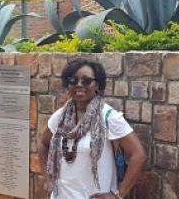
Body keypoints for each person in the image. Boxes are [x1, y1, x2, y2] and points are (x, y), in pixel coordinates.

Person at [38, 58, 147, 199]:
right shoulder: (60, 117)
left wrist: (118, 195)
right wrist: (47, 178)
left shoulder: (108, 117)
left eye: (86, 81)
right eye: (73, 80)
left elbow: (138, 155)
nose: (79, 85)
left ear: (97, 85)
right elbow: (43, 144)